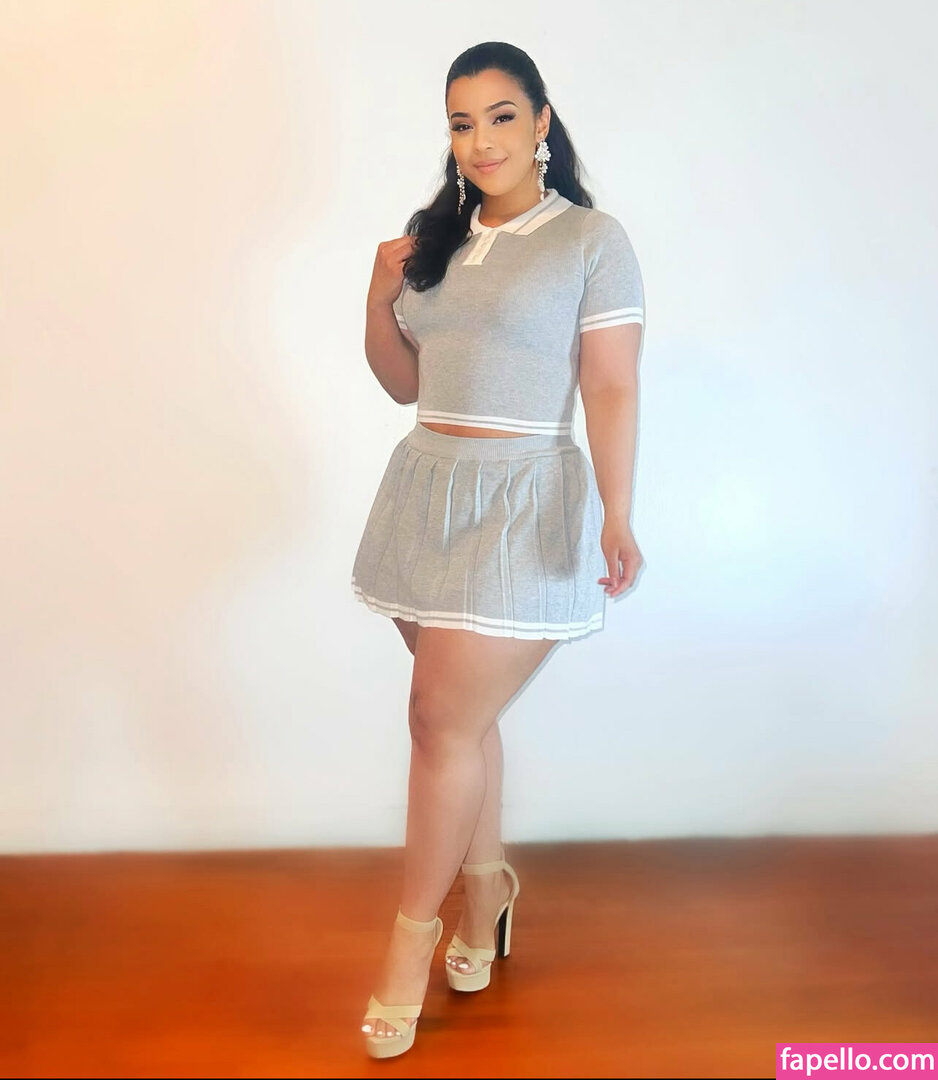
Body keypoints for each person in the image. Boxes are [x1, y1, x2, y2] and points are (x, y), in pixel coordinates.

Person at [351, 40, 645, 1058]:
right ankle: (487, 894)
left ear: (541, 121)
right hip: (425, 496)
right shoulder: (435, 239)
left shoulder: (590, 240)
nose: (481, 140)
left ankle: (407, 950)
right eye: (462, 122)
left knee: (437, 718)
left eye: (501, 116)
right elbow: (402, 381)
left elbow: (610, 383)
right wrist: (378, 294)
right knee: (459, 725)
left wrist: (616, 511)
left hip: (521, 500)